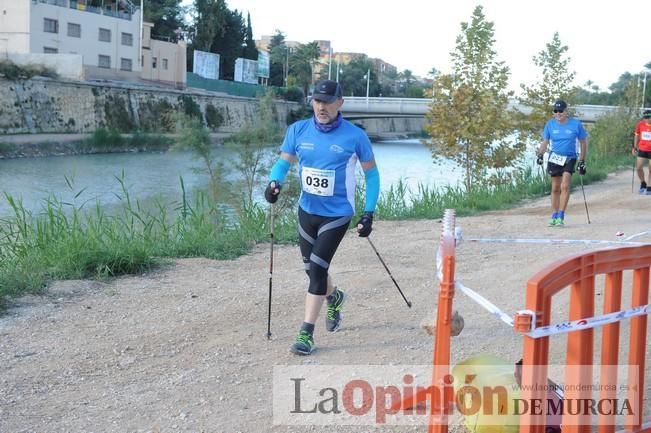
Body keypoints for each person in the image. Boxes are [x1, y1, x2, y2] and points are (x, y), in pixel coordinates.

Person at [264, 79, 380, 356]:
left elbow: (372, 175)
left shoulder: (355, 137)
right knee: (312, 270)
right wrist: (273, 183)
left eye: (327, 101)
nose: (321, 106)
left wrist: (368, 213)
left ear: (340, 103)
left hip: (338, 214)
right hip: (307, 211)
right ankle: (335, 296)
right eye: (317, 100)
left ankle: (306, 333)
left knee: (316, 269)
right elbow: (283, 163)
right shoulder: (298, 130)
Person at [536, 99, 588, 227]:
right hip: (555, 158)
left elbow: (583, 142)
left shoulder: (575, 124)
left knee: (564, 186)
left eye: (561, 111)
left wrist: (582, 160)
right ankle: (554, 215)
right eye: (555, 111)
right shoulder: (550, 124)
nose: (558, 113)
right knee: (555, 188)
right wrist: (540, 154)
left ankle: (561, 215)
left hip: (570, 158)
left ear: (566, 111)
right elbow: (545, 142)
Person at [633, 109, 651, 194]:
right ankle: (643, 183)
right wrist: (635, 147)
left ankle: (649, 187)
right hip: (643, 149)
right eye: (645, 118)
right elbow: (637, 136)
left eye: (648, 117)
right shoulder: (640, 124)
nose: (646, 119)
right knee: (639, 168)